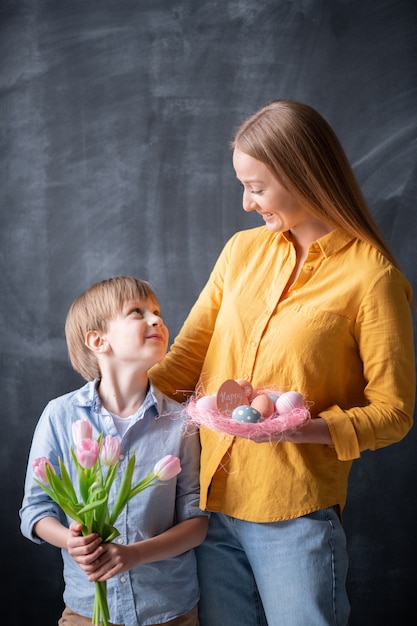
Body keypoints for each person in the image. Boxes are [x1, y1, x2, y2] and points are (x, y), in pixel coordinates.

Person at [149, 100, 416, 626]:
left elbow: (394, 413)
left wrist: (297, 430)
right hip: (208, 508)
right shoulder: (241, 252)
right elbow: (185, 361)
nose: (247, 204)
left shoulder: (372, 277)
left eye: (256, 187)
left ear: (303, 175)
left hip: (294, 516)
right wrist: (98, 403)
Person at [20, 276, 209, 626]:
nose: (156, 320)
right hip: (85, 612)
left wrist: (134, 555)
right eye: (137, 312)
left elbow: (197, 523)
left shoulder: (182, 421)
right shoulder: (60, 416)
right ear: (97, 340)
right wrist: (70, 542)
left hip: (170, 612)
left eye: (157, 312)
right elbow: (35, 510)